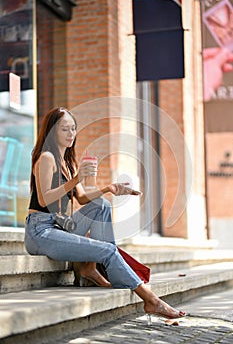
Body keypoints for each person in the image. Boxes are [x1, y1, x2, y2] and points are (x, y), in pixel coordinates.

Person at [24, 106, 186, 319]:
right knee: (108, 251)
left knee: (102, 204)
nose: (71, 134)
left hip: (60, 226)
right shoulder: (46, 157)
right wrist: (77, 179)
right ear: (52, 131)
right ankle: (151, 300)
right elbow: (44, 198)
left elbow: (81, 198)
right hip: (40, 230)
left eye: (73, 129)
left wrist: (109, 188)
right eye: (65, 129)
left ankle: (89, 268)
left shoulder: (68, 163)